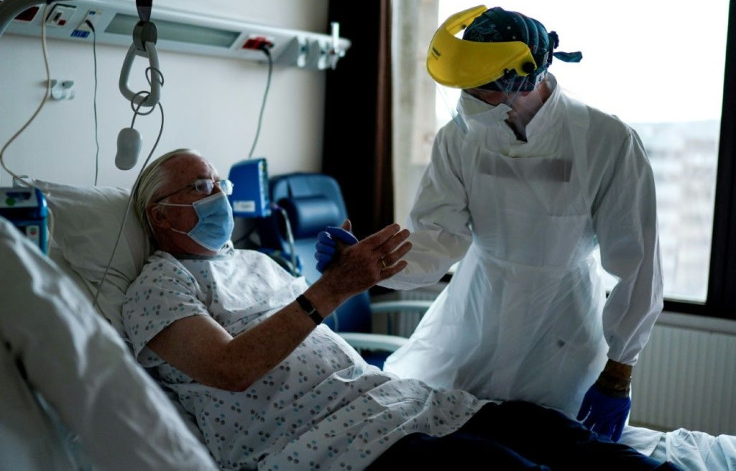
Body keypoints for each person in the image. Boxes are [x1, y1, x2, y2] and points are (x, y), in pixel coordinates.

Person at [121, 148, 678, 470]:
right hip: (328, 449)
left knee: (556, 436)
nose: (219, 192)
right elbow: (230, 369)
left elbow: (308, 335)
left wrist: (344, 279)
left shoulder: (257, 262)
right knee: (502, 470)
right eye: (200, 185)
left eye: (218, 181)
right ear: (162, 216)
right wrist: (334, 288)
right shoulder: (158, 285)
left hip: (391, 400)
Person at [315, 5, 663, 443]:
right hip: (473, 320)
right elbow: (437, 240)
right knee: (453, 445)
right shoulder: (458, 138)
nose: (467, 100)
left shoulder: (606, 141)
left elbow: (638, 264)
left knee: (555, 449)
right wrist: (370, 261)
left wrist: (619, 368)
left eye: (480, 90)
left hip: (563, 333)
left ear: (524, 81)